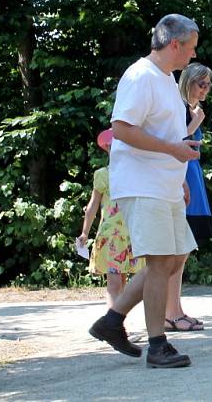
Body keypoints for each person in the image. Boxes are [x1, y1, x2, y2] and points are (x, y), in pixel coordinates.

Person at [88, 14, 201, 369]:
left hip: (164, 184)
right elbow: (121, 128)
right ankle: (157, 345)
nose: (193, 55)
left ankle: (111, 320)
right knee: (158, 262)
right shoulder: (140, 76)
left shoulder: (167, 79)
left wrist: (178, 174)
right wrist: (172, 154)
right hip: (141, 184)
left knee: (172, 259)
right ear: (174, 44)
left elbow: (166, 134)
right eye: (191, 47)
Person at [164, 62, 212, 332]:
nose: (205, 89)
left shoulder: (191, 109)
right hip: (182, 179)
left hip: (191, 177)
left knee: (183, 250)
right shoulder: (181, 108)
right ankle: (170, 313)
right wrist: (196, 120)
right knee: (177, 251)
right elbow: (176, 140)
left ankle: (176, 310)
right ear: (189, 82)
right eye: (201, 83)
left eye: (208, 84)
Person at [77, 128, 145, 309]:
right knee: (114, 285)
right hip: (111, 236)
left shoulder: (136, 173)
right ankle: (113, 324)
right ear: (107, 149)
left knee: (122, 284)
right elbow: (92, 206)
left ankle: (116, 324)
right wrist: (84, 232)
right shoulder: (102, 174)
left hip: (129, 235)